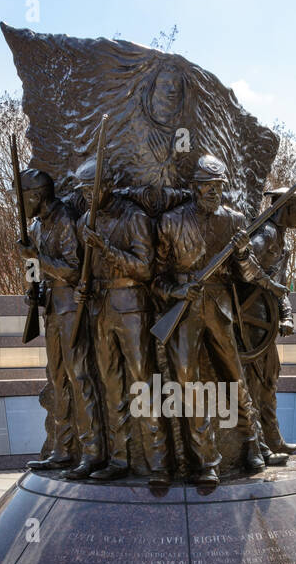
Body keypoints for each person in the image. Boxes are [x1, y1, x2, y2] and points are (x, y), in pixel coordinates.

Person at [154, 154, 277, 488]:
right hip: (184, 312)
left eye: (219, 187)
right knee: (187, 384)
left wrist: (240, 253)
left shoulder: (235, 220)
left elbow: (247, 273)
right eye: (208, 186)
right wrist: (177, 291)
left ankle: (253, 444)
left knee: (235, 376)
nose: (214, 192)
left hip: (220, 307)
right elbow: (156, 278)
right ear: (195, 187)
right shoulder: (170, 222)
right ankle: (208, 459)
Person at [74, 157, 172, 486]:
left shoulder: (136, 218)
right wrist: (81, 289)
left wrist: (105, 247)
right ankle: (119, 458)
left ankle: (158, 460)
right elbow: (81, 269)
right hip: (99, 310)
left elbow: (145, 269)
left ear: (108, 185)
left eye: (92, 188)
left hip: (131, 306)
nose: (87, 195)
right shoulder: (84, 221)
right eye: (83, 190)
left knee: (142, 382)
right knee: (111, 385)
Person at [15, 168, 101, 473]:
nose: (19, 204)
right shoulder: (36, 227)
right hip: (51, 308)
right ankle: (63, 448)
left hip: (70, 309)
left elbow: (74, 270)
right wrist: (32, 290)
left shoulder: (64, 218)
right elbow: (35, 269)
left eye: (22, 198)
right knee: (57, 379)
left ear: (36, 196)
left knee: (78, 378)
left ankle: (92, 450)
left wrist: (36, 258)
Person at [243, 186, 296, 461]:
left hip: (265, 322)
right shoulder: (266, 235)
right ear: (286, 209)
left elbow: (280, 288)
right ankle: (258, 447)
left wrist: (287, 315)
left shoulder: (280, 239)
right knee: (255, 386)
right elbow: (242, 267)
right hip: (251, 324)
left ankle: (273, 440)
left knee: (269, 381)